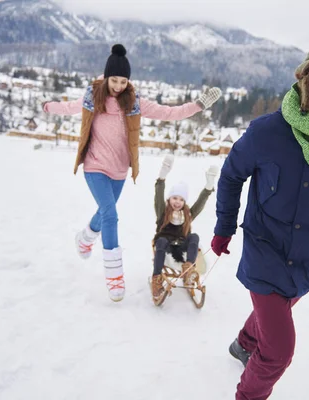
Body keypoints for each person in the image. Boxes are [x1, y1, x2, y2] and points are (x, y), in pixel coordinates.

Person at [209, 31, 309, 399]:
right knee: (278, 352)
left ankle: (243, 344)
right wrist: (224, 228)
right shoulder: (268, 131)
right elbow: (233, 174)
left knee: (277, 313)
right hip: (264, 248)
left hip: (308, 256)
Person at [42, 44, 222, 302]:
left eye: (123, 81)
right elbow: (69, 107)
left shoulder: (134, 103)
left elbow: (169, 113)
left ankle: (85, 238)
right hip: (94, 167)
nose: (117, 85)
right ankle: (114, 276)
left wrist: (198, 105)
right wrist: (48, 106)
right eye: (113, 80)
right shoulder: (92, 97)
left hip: (118, 171)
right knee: (111, 214)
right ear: (106, 77)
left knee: (104, 212)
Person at [150, 154, 218, 303]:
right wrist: (162, 175)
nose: (177, 202)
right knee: (160, 241)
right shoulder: (163, 211)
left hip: (181, 246)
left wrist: (208, 186)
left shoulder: (187, 214)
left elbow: (200, 203)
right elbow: (158, 194)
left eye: (181, 199)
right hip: (165, 244)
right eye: (175, 198)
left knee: (194, 237)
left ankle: (188, 270)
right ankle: (156, 278)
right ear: (169, 199)